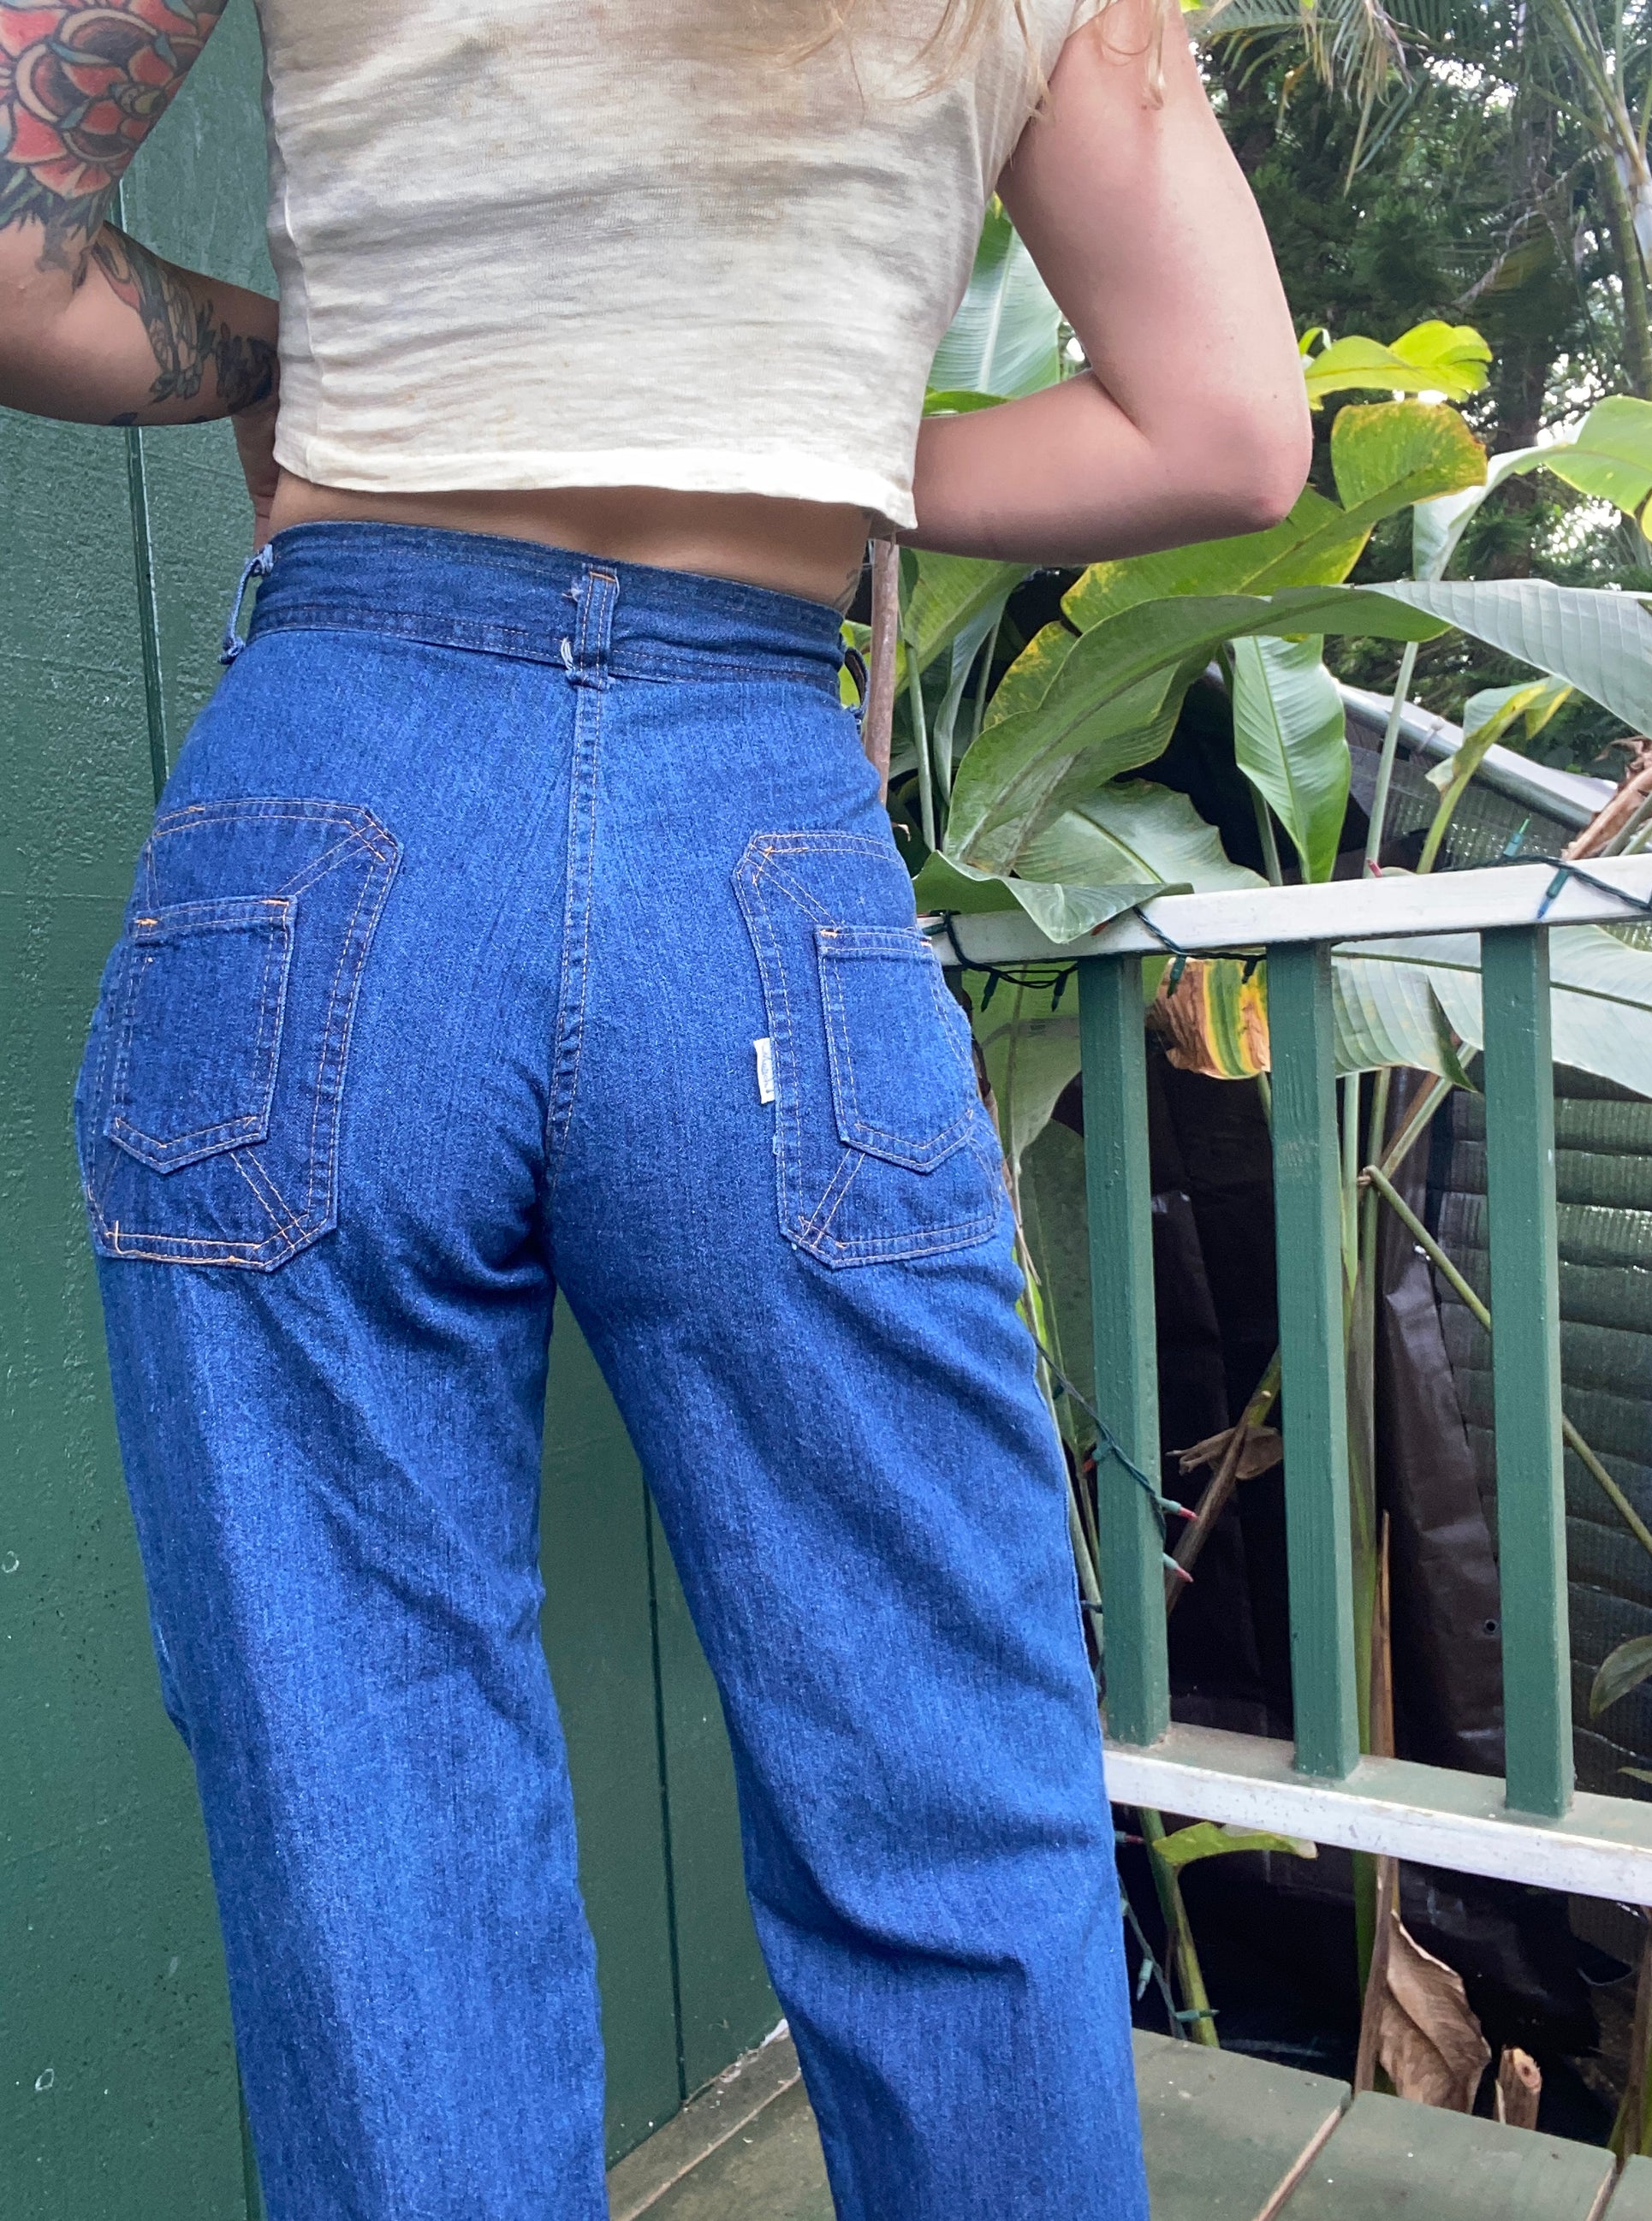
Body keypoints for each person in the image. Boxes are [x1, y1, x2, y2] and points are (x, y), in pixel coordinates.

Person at [0, 3, 1309, 2214]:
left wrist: (301, 362)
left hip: (338, 811)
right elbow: (1229, 432)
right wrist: (804, 441)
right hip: (754, 840)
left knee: (367, 1795)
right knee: (939, 1770)